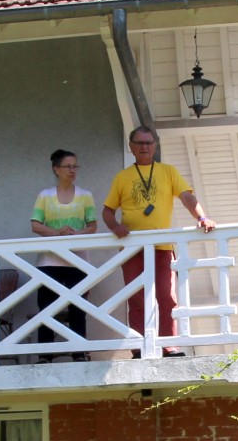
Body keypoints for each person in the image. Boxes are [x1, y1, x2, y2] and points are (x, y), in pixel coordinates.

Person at [102, 126, 216, 358]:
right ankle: (138, 348)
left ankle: (169, 346)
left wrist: (202, 217)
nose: (144, 147)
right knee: (136, 300)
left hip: (162, 248)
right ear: (131, 147)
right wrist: (115, 227)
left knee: (166, 297)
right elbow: (107, 211)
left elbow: (186, 197)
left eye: (148, 143)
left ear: (155, 145)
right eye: (139, 143)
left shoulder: (168, 171)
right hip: (132, 249)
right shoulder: (122, 177)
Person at [30, 149, 97, 362]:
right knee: (47, 307)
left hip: (78, 261)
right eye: (68, 166)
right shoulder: (45, 196)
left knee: (78, 308)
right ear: (56, 169)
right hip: (50, 261)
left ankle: (78, 352)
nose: (72, 170)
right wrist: (58, 234)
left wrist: (77, 235)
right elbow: (35, 225)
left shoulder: (85, 195)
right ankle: (45, 355)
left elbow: (93, 225)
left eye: (75, 166)